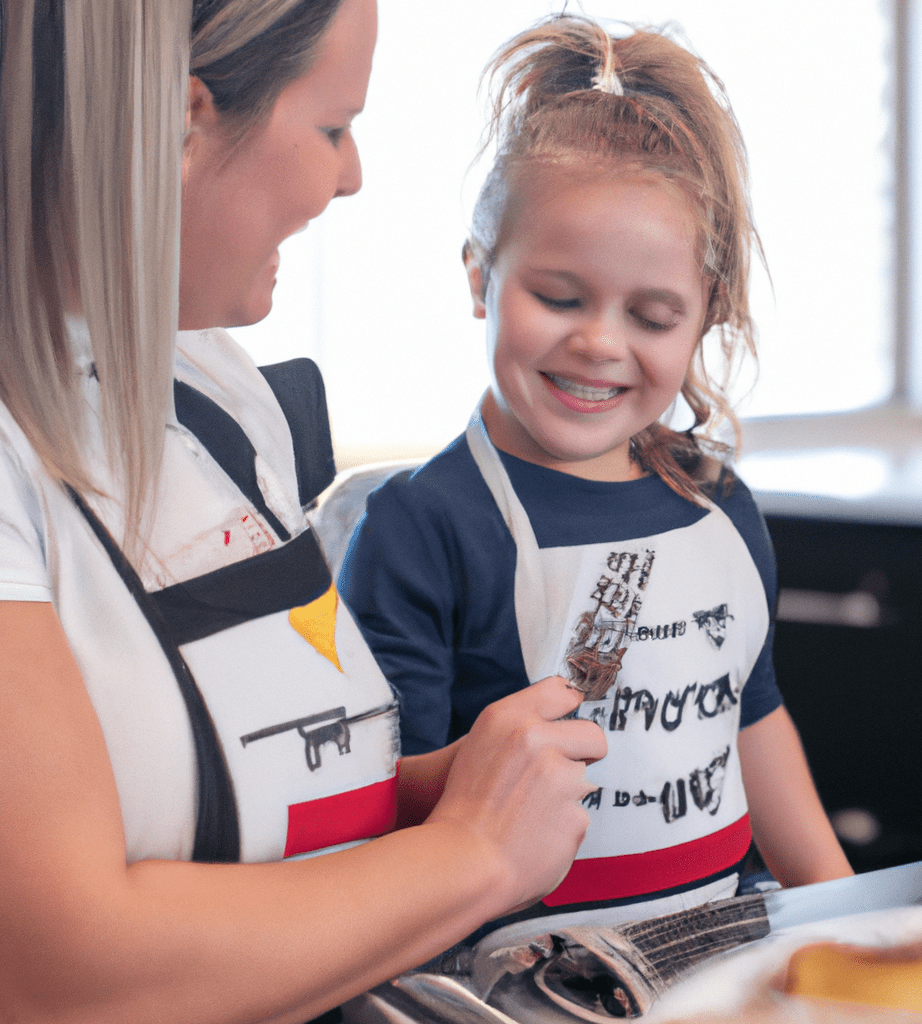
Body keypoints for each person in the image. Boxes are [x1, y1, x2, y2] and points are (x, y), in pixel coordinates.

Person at [0, 2, 607, 1022]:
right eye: (332, 127)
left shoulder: (220, 389)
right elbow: (64, 973)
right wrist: (473, 854)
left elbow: (251, 793)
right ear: (184, 123)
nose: (350, 175)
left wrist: (436, 792)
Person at [339, 14, 853, 931]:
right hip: (513, 974)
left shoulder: (719, 507)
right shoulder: (422, 529)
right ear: (477, 275)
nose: (599, 343)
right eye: (559, 297)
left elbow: (752, 718)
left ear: (706, 319)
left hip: (722, 952)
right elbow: (377, 804)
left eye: (652, 317)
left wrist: (843, 913)